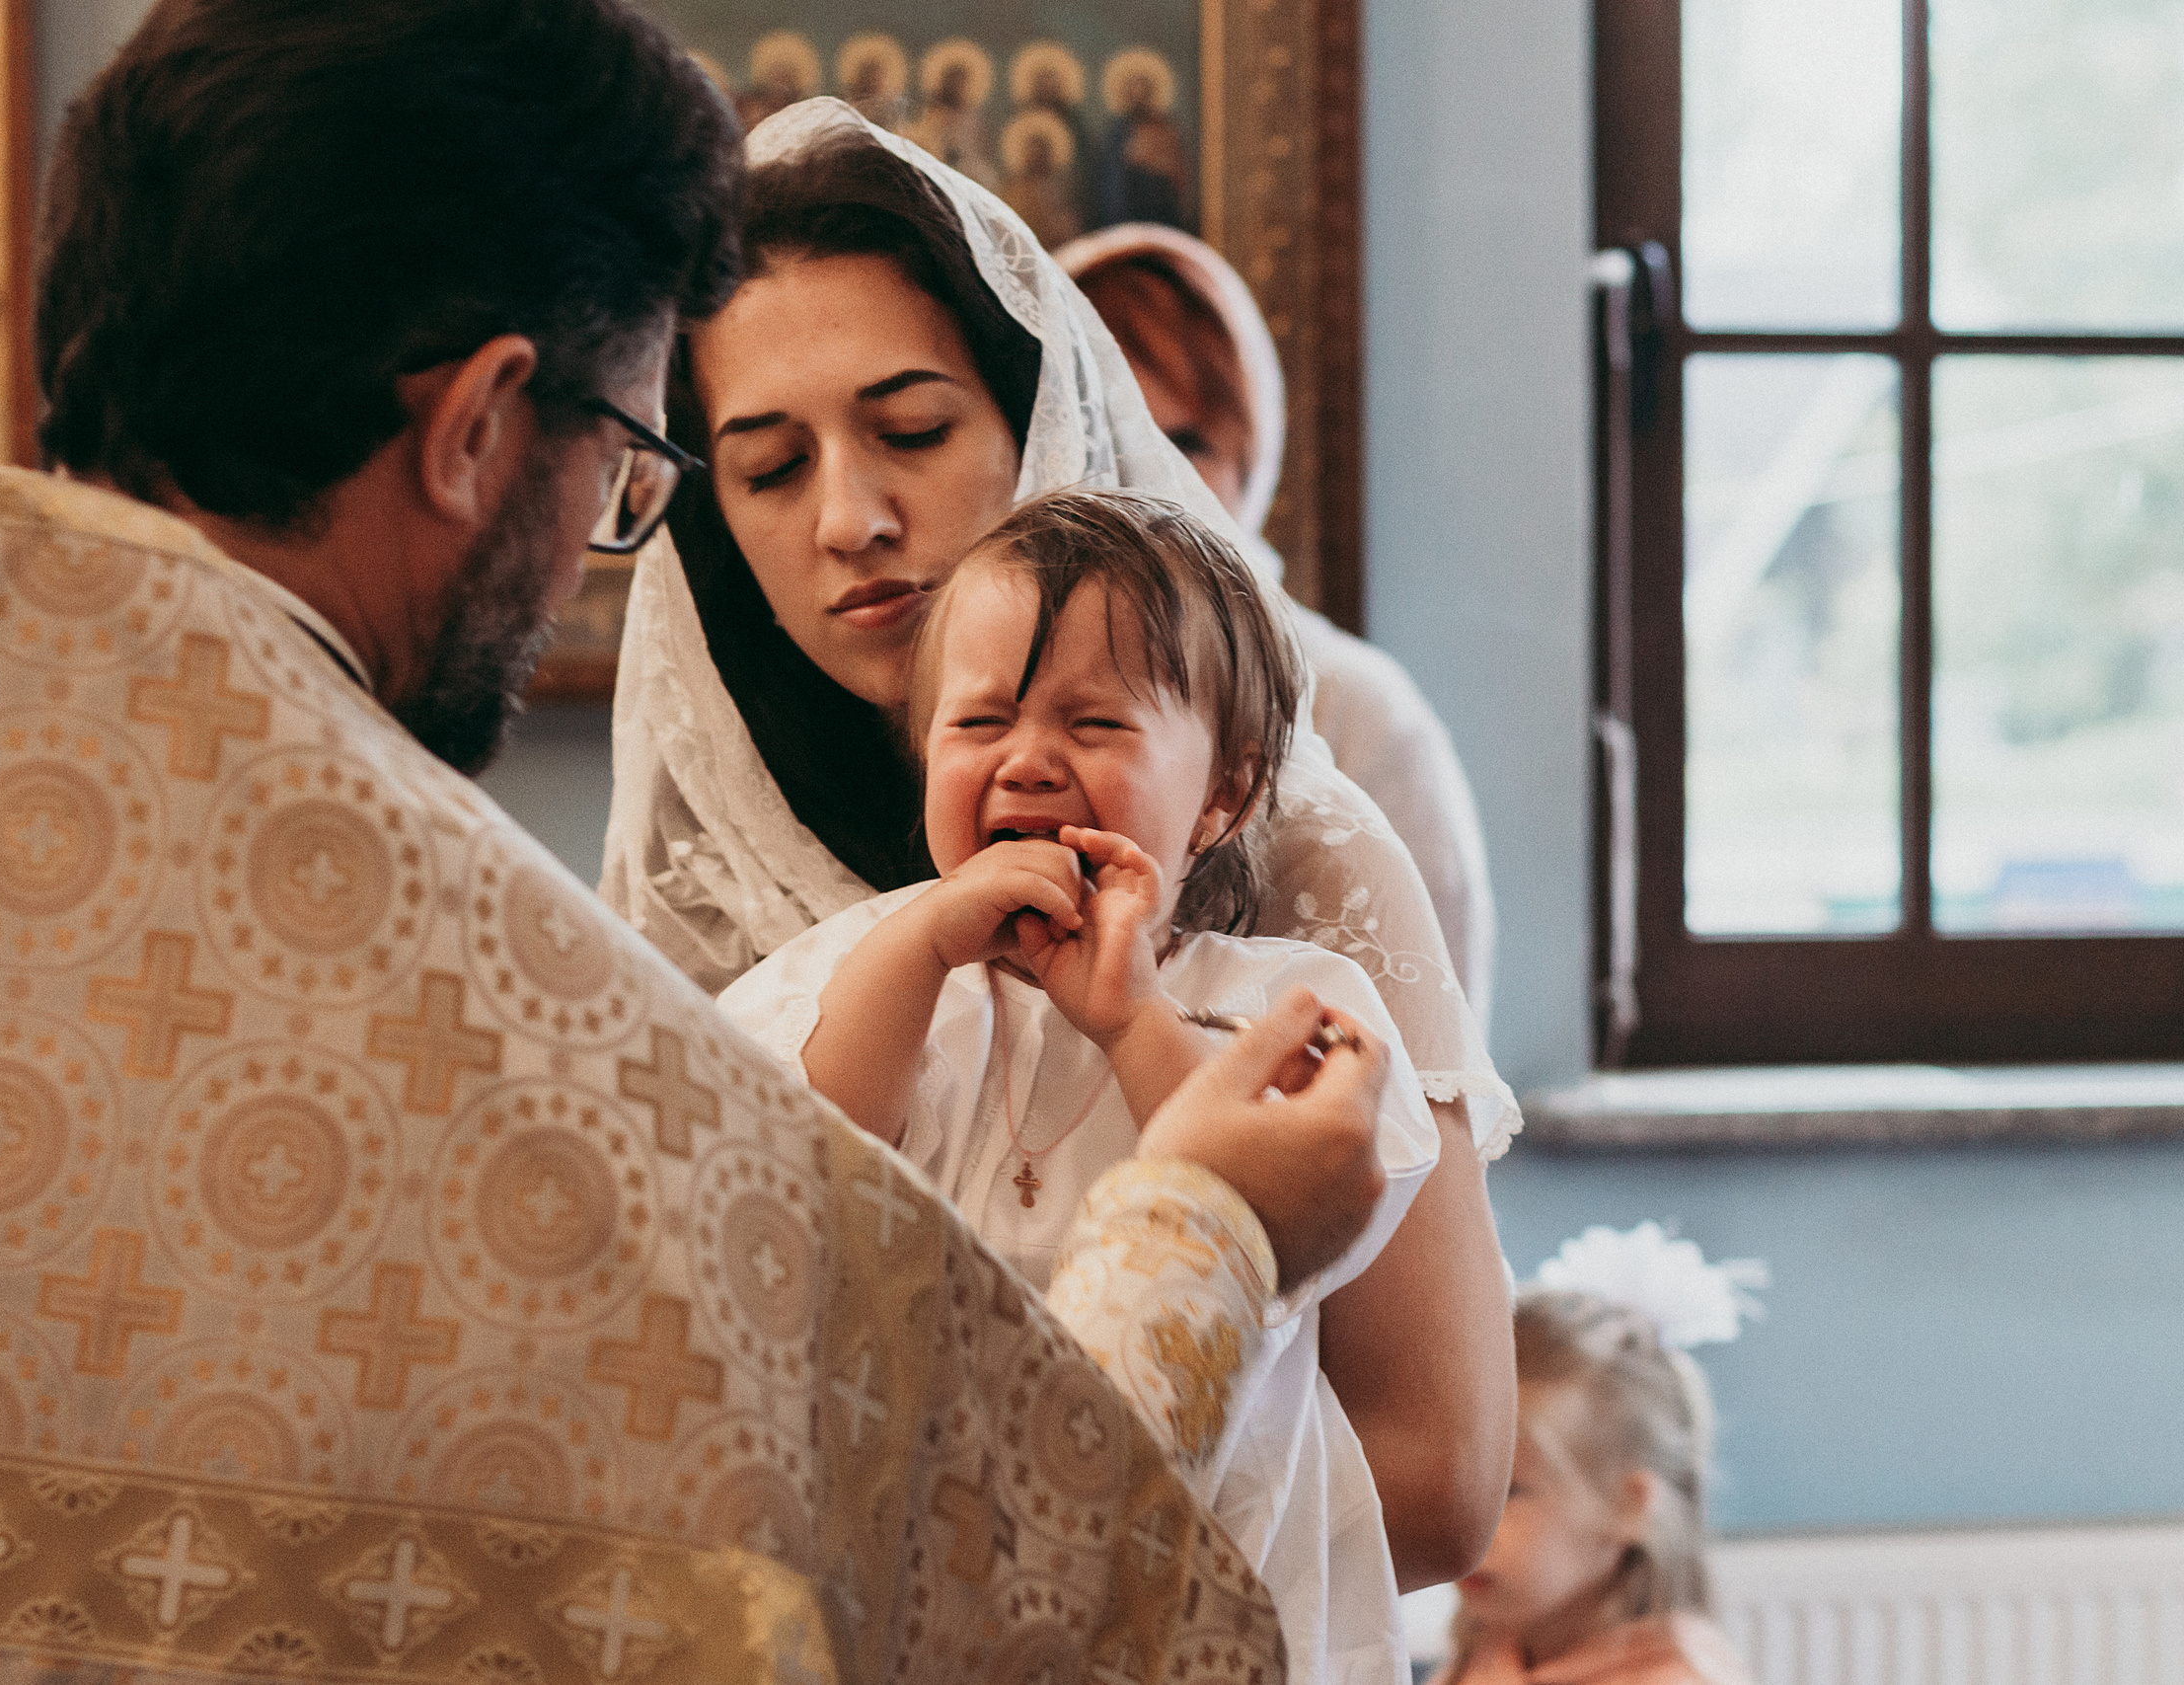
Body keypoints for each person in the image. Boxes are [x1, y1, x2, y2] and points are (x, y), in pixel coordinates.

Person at [0, 4, 1393, 1678]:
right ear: (482, 424)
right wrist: (1211, 1231)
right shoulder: (526, 1054)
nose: (600, 540)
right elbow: (954, 1607)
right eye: (642, 454)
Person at [604, 97, 1521, 1589]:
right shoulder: (709, 879)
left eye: (912, 429)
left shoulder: (1304, 866)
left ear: (1039, 413)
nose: (850, 517)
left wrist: (976, 1541)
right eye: (768, 468)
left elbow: (1438, 1478)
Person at [723, 489, 1441, 1682]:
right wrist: (913, 951)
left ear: (1223, 792)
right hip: (931, 1577)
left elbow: (1293, 1198)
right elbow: (791, 1174)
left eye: (1095, 723)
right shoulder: (870, 968)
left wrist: (1131, 1019)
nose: (1027, 760)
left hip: (1211, 1572)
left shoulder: (1282, 999)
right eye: (978, 723)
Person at [1057, 221, 1500, 1028]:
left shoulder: (1356, 705)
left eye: (1187, 443)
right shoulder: (1000, 693)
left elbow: (1442, 1050)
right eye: (1110, 437)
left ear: (1251, 457)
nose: (1149, 479)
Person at [1442, 1229, 1765, 1685]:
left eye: (1509, 1491)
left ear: (1628, 1502)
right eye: (1455, 1485)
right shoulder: (1488, 1657)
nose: (1461, 1523)